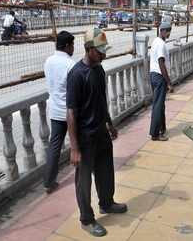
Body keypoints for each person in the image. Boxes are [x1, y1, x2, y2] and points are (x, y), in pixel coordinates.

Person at [66, 28, 127, 237]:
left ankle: (107, 203)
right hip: (84, 138)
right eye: (100, 51)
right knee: (83, 181)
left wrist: (109, 123)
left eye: (104, 50)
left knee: (106, 172)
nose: (104, 54)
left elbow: (101, 100)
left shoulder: (99, 70)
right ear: (89, 49)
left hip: (101, 132)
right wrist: (74, 148)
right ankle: (87, 219)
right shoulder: (76, 75)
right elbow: (71, 113)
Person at [43, 31, 76, 194]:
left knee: (54, 146)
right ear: (67, 46)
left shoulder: (48, 61)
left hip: (55, 110)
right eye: (72, 45)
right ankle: (83, 173)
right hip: (70, 112)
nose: (73, 49)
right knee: (78, 143)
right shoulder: (71, 64)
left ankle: (49, 182)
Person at [149, 22, 173, 141]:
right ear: (162, 31)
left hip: (154, 75)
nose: (169, 34)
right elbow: (161, 62)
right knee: (158, 105)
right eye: (168, 31)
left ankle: (162, 128)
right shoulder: (161, 44)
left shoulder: (155, 42)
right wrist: (168, 82)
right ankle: (155, 133)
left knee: (160, 104)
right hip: (159, 77)